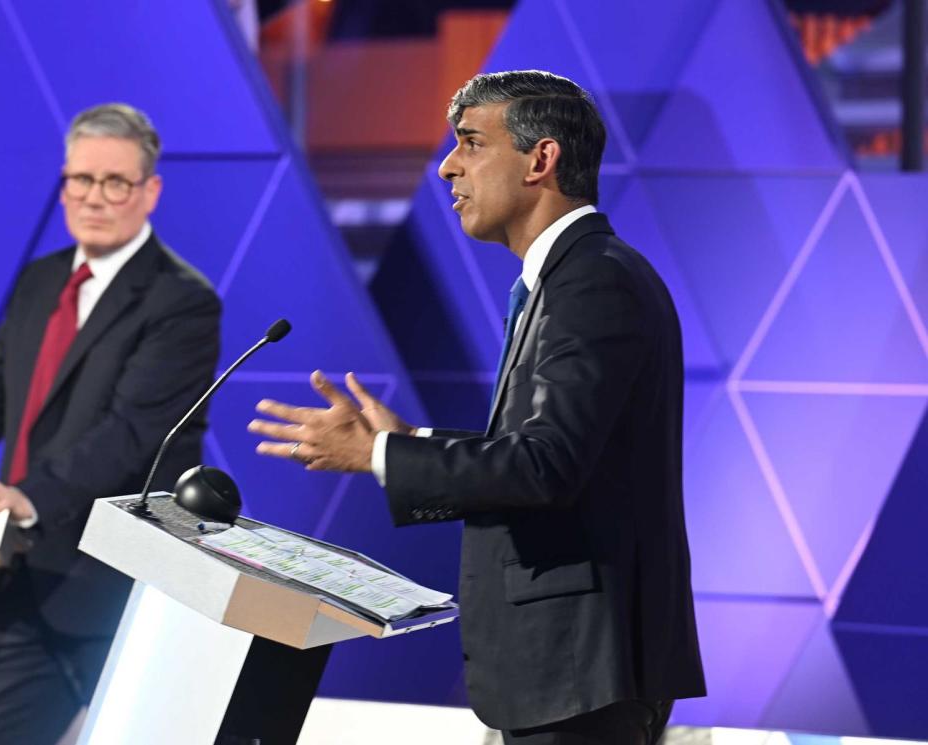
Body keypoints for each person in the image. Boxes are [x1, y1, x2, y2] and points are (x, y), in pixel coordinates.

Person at [248, 70, 706, 744]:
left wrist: (378, 454)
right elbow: (548, 450)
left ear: (540, 159)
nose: (446, 166)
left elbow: (546, 466)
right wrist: (412, 438)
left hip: (581, 672)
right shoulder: (567, 278)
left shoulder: (592, 281)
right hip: (567, 673)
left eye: (470, 143)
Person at [0, 103, 221, 744]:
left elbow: (132, 433)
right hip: (25, 579)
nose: (94, 198)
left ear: (150, 190)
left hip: (114, 585)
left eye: (115, 183)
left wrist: (27, 496)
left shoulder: (181, 301)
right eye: (81, 180)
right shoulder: (40, 281)